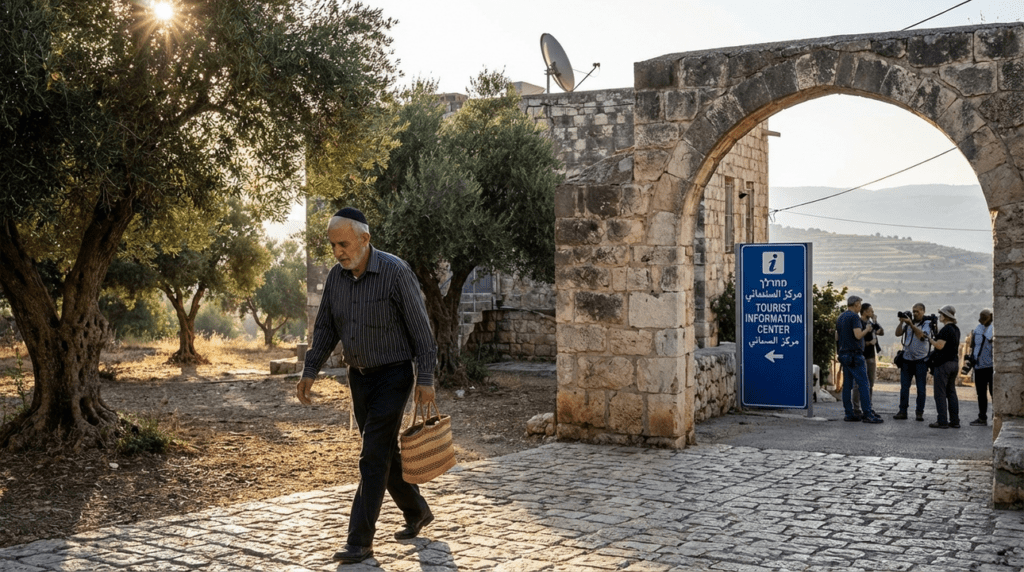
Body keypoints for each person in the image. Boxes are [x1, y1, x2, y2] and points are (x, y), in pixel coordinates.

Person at [295, 207, 438, 565]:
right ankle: (417, 509)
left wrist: (426, 378)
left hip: (394, 375)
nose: (339, 251)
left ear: (364, 239)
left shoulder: (395, 272)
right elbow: (326, 327)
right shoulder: (335, 278)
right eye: (333, 246)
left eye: (344, 243)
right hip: (357, 377)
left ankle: (359, 541)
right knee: (383, 452)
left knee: (371, 454)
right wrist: (309, 370)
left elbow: (422, 331)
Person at [835, 296, 884, 423]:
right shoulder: (854, 317)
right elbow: (858, 335)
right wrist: (867, 329)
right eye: (859, 304)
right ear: (856, 304)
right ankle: (868, 414)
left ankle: (849, 413)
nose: (860, 307)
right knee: (864, 384)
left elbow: (836, 336)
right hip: (855, 355)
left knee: (847, 386)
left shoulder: (840, 317)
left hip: (844, 354)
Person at [893, 303, 933, 421]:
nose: (915, 313)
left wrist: (911, 324)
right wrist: (902, 322)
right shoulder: (908, 324)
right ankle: (902, 411)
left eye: (917, 311)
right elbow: (897, 333)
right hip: (906, 360)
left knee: (921, 389)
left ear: (923, 311)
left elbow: (922, 336)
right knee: (904, 388)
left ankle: (919, 412)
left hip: (921, 361)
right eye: (913, 311)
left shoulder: (927, 324)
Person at [925, 305, 961, 429]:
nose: (940, 316)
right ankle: (955, 420)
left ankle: (942, 421)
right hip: (954, 363)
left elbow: (939, 346)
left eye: (941, 314)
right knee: (951, 392)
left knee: (939, 393)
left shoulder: (946, 329)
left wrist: (930, 340)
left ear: (945, 316)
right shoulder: (956, 329)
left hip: (944, 364)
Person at [852, 303, 883, 418]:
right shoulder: (858, 323)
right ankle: (856, 408)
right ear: (865, 311)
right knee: (858, 384)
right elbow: (857, 340)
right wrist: (870, 343)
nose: (873, 312)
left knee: (870, 384)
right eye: (871, 310)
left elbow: (882, 332)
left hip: (871, 357)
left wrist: (875, 322)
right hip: (861, 356)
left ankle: (868, 407)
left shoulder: (871, 323)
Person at [968, 308, 994, 426]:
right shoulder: (979, 329)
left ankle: (993, 417)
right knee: (981, 394)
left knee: (992, 393)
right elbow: (974, 346)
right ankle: (982, 417)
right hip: (980, 367)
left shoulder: (992, 329)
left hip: (990, 367)